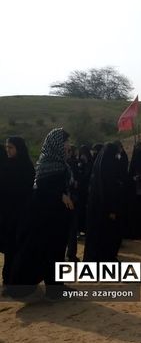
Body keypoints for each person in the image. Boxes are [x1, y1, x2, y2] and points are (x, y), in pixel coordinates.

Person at [7, 128, 75, 299]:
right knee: (49, 251)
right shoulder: (48, 165)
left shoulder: (60, 163)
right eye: (65, 142)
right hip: (47, 219)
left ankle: (56, 287)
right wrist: (60, 194)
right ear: (57, 144)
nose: (68, 145)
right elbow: (42, 190)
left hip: (57, 217)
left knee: (57, 252)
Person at [1, 137, 35, 287]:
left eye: (11, 147)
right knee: (10, 250)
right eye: (7, 147)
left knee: (19, 249)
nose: (8, 150)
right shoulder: (5, 166)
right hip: (7, 216)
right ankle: (8, 280)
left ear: (19, 148)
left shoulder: (27, 167)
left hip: (22, 215)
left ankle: (19, 281)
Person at [83, 143, 124, 262]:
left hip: (97, 209)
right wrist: (112, 209)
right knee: (106, 236)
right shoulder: (108, 167)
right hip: (106, 210)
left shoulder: (100, 166)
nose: (117, 155)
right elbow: (109, 190)